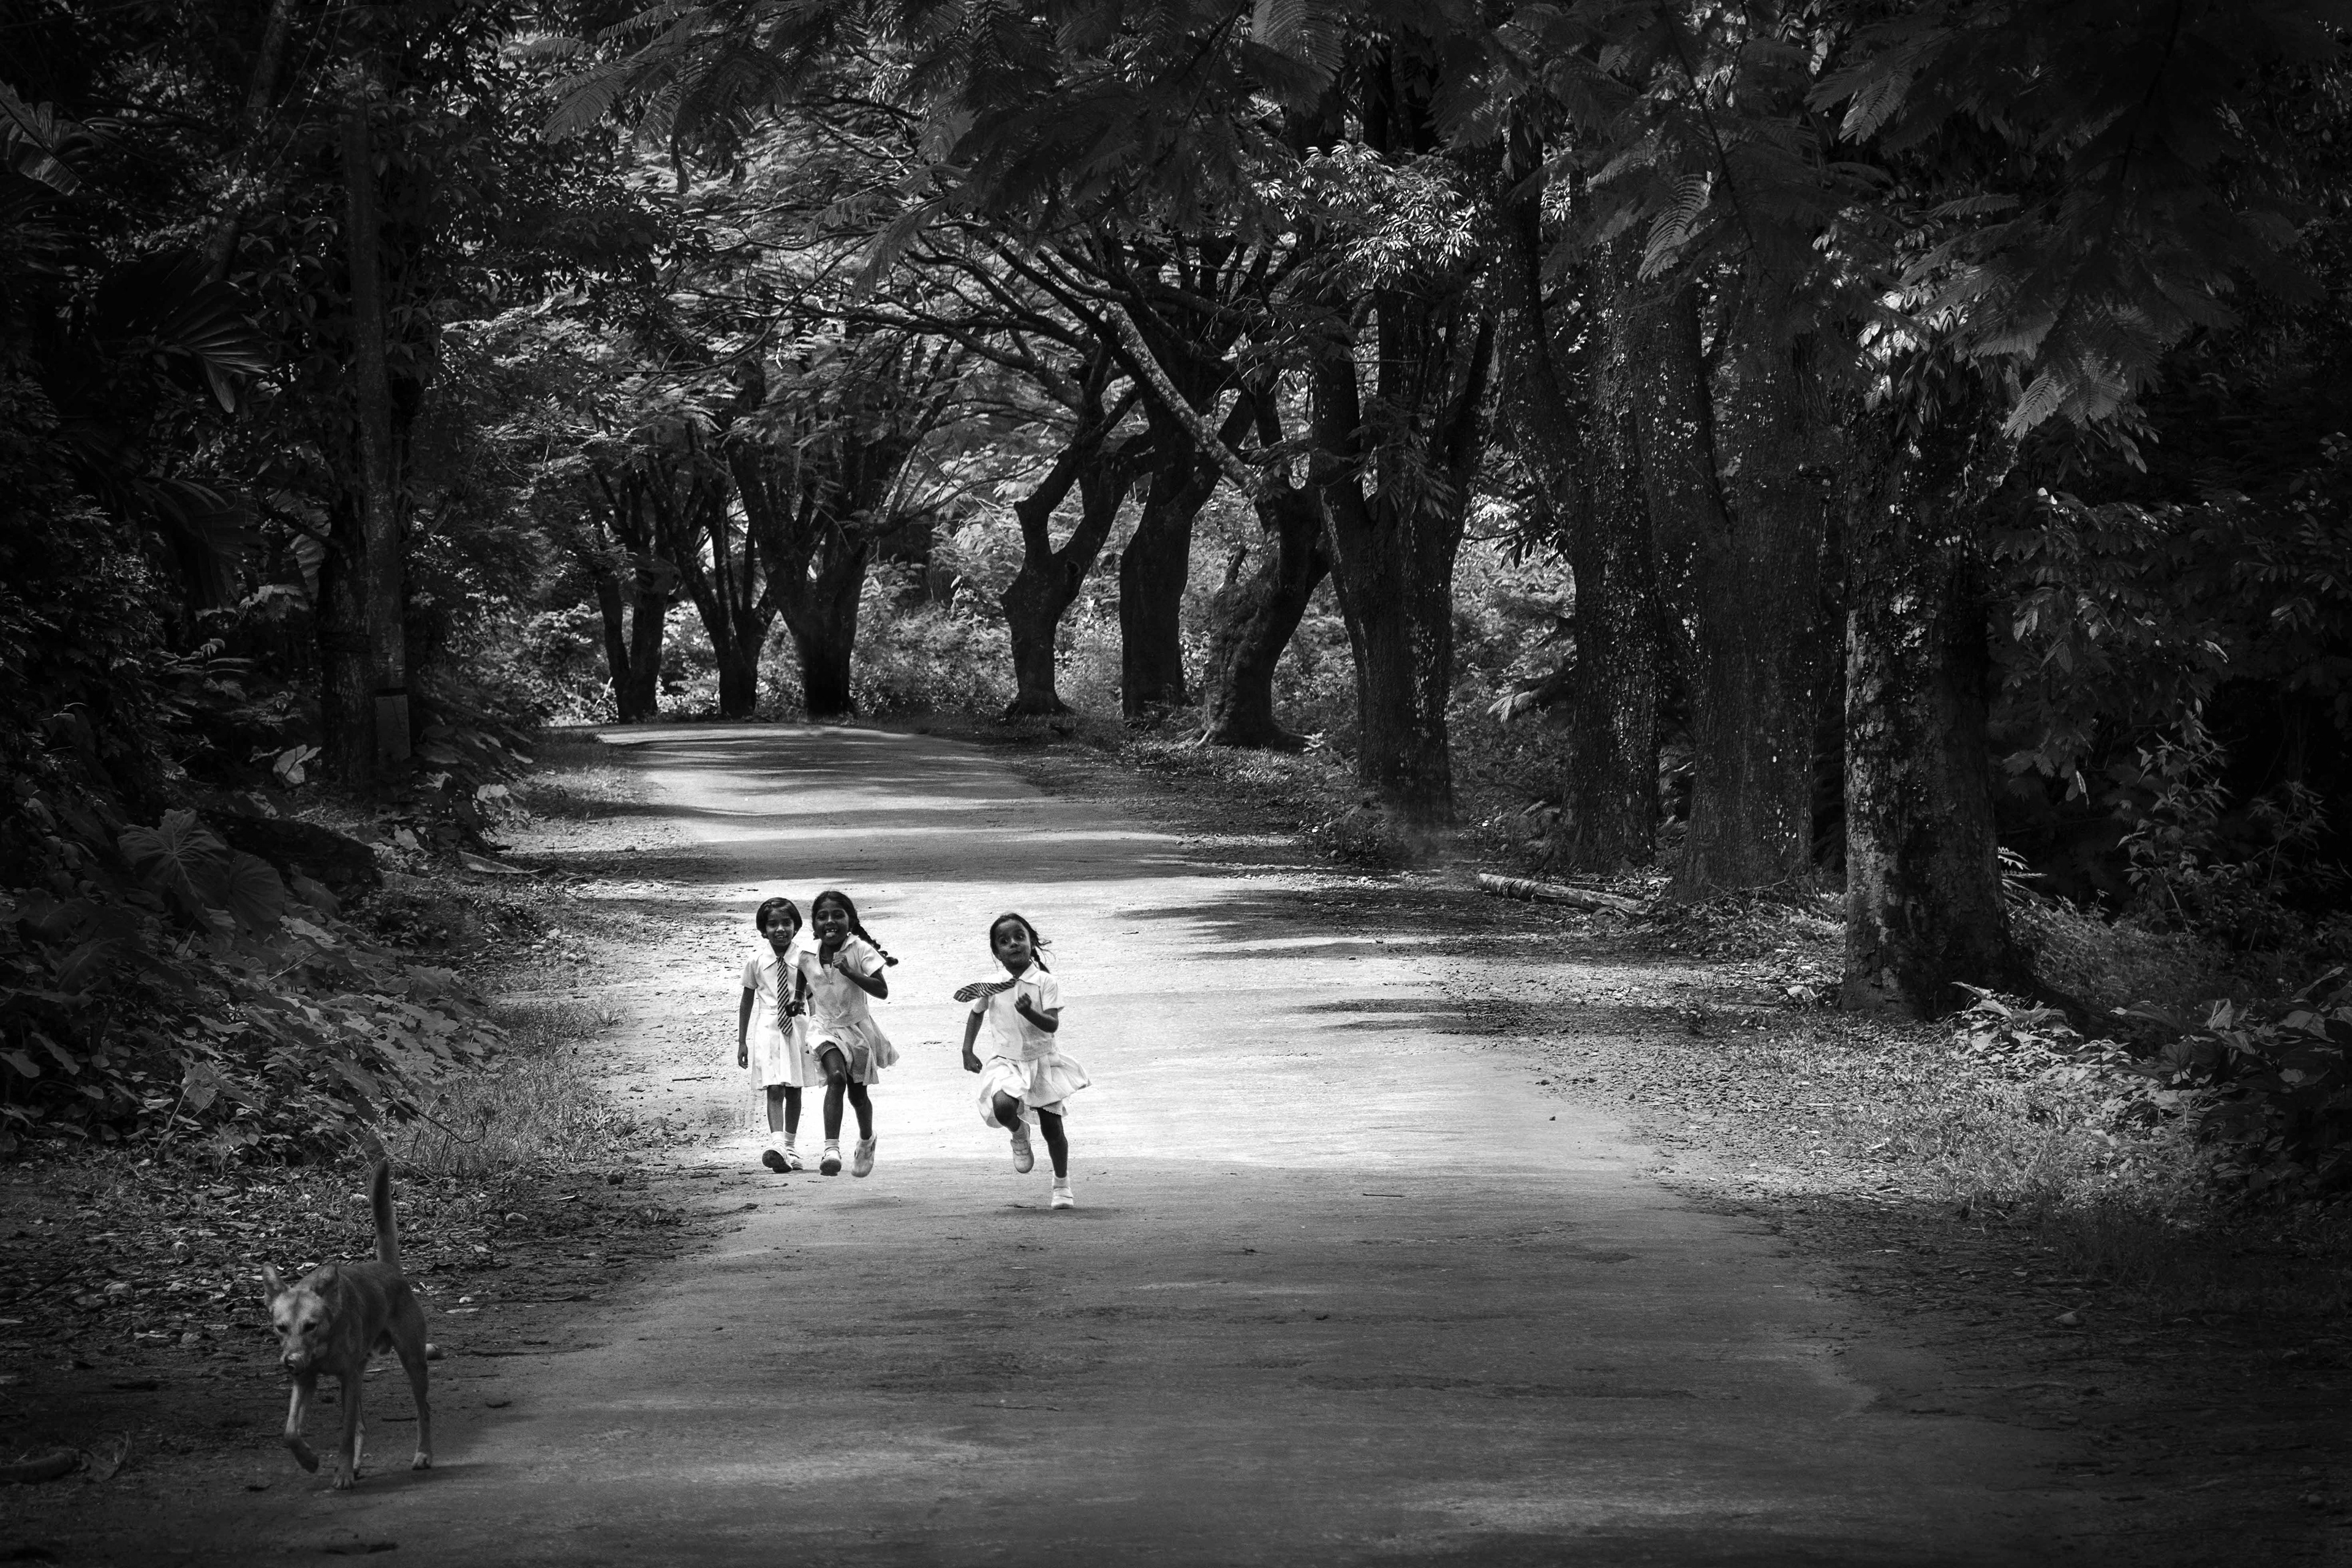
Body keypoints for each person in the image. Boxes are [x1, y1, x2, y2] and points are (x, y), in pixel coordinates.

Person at [957, 911, 1088, 1209]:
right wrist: (967, 1049)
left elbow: (1052, 1025)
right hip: (1005, 1061)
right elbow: (976, 1013)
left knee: (1052, 1129)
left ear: (1031, 942)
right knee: (1003, 1106)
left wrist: (1030, 1012)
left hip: (1042, 1062)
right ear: (997, 953)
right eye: (1004, 941)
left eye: (1020, 937)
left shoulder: (1045, 982)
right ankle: (1019, 1133)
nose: (1014, 944)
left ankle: (1062, 1184)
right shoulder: (991, 984)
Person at [796, 889, 899, 1177]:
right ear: (814, 925)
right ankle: (831, 1150)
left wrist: (851, 972)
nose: (830, 921)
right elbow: (802, 975)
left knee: (858, 1096)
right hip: (824, 1027)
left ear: (851, 921)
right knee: (837, 1078)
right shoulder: (806, 954)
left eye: (838, 915)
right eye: (822, 917)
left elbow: (882, 991)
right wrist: (797, 998)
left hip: (857, 1030)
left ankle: (867, 1140)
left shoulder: (860, 950)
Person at [737, 898, 814, 1172]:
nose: (780, 929)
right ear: (763, 930)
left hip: (798, 1028)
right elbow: (746, 1001)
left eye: (786, 923)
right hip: (769, 1028)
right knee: (774, 1086)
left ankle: (790, 1147)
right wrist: (742, 1041)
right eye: (772, 924)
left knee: (795, 1088)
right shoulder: (756, 961)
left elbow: (813, 997)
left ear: (796, 926)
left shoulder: (805, 959)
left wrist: (819, 1030)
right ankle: (777, 1144)